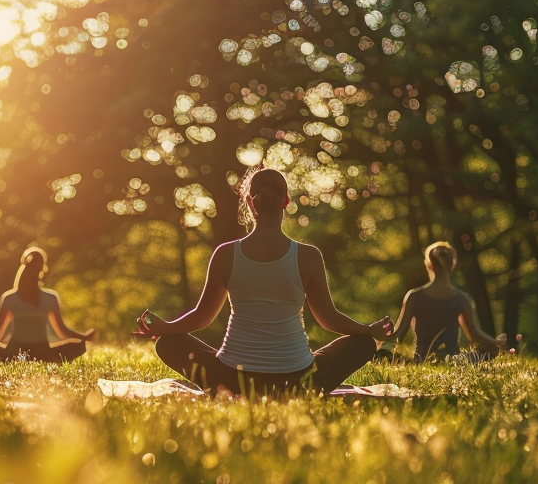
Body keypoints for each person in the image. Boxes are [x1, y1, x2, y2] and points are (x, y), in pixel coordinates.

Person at [137, 168, 391, 396]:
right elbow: (329, 319)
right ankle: (294, 389)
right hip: (299, 380)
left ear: (249, 203)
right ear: (286, 201)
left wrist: (165, 328)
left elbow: (201, 318)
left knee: (168, 343)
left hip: (233, 380)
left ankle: (240, 389)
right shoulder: (308, 256)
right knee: (362, 344)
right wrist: (370, 330)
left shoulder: (226, 254)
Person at [0, 247, 96, 362]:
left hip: (13, 353)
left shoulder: (10, 298)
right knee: (79, 345)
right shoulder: (50, 298)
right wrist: (83, 337)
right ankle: (49, 360)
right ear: (42, 271)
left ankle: (11, 359)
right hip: (43, 354)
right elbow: (62, 332)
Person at [386, 241, 503, 362]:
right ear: (452, 264)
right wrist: (495, 342)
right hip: (453, 360)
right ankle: (459, 362)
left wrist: (378, 337)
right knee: (491, 349)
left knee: (385, 353)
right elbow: (474, 335)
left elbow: (397, 336)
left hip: (422, 360)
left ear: (429, 265)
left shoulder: (414, 296)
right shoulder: (462, 299)